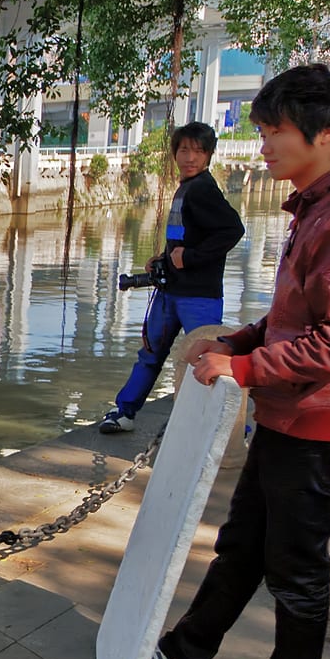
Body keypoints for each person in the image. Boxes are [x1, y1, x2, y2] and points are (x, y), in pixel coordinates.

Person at [147, 64, 330, 659]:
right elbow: (293, 320)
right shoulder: (316, 209)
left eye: (274, 131)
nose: (263, 145)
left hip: (320, 420)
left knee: (295, 558)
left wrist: (245, 370)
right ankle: (189, 649)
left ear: (322, 134)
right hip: (290, 413)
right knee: (245, 540)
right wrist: (237, 343)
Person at [101, 121, 245, 433]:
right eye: (183, 150)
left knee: (206, 358)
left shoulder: (204, 189)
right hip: (170, 292)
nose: (190, 157)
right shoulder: (187, 187)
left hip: (199, 296)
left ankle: (234, 430)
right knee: (150, 353)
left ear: (208, 156)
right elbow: (189, 236)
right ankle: (125, 412)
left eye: (198, 151)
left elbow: (233, 230)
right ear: (174, 154)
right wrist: (165, 258)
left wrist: (190, 258)